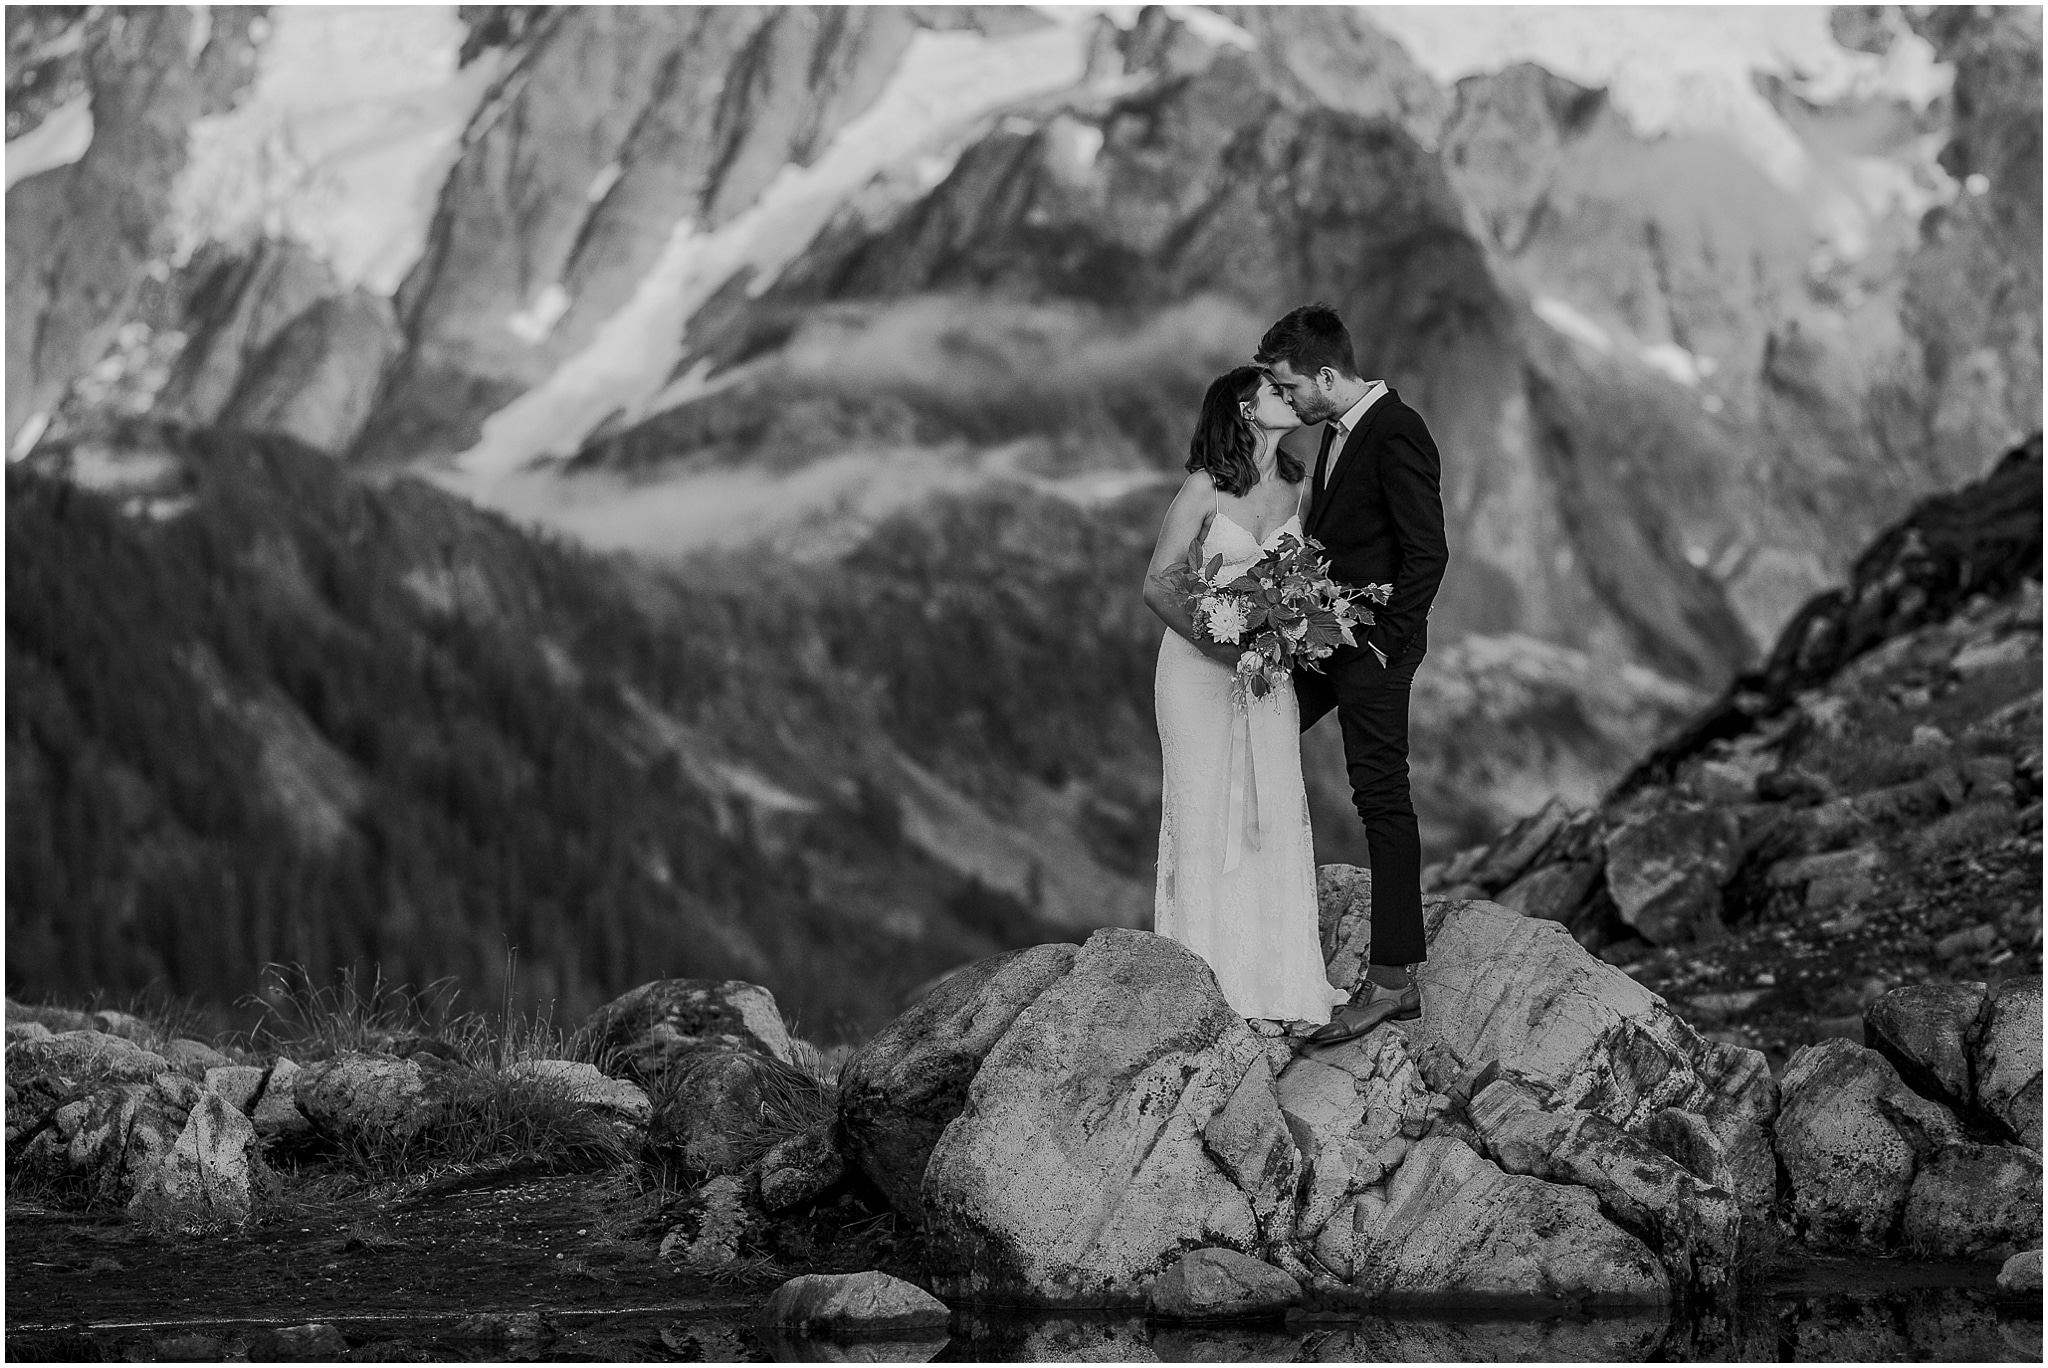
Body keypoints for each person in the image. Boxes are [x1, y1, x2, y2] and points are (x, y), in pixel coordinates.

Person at [1256, 303, 1448, 1047]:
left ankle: (1394, 980)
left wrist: (1382, 644)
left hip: (1369, 654)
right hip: (1326, 644)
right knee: (1257, 729)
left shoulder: (1399, 430)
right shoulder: (1337, 434)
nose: (1288, 399)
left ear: (1327, 375)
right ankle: (1257, 930)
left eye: (1290, 384)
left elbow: (1426, 554)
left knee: (1382, 799)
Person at [1143, 365, 1350, 1025]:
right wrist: (1219, 641)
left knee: (1272, 806)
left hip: (1266, 672)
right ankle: (1203, 982)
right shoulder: (1204, 487)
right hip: (1198, 672)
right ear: (1244, 405)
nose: (1288, 397)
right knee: (1204, 813)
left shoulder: (1299, 487)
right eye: (1275, 391)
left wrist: (1295, 624)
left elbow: (1310, 575)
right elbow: (1159, 581)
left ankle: (1276, 981)